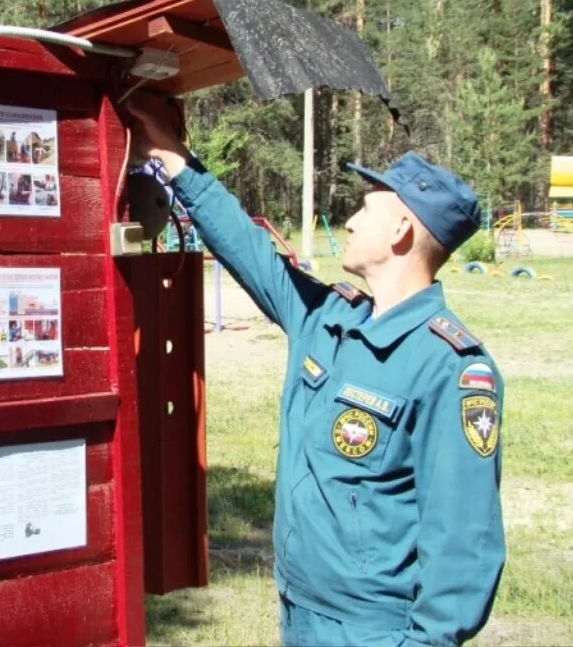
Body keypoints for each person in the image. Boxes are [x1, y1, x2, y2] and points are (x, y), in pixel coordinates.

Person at [125, 95, 505, 647]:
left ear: (401, 230)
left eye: (365, 211)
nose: (350, 221)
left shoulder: (450, 369)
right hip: (299, 611)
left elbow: (464, 539)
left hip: (374, 632)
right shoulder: (330, 318)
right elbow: (252, 251)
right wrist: (177, 161)